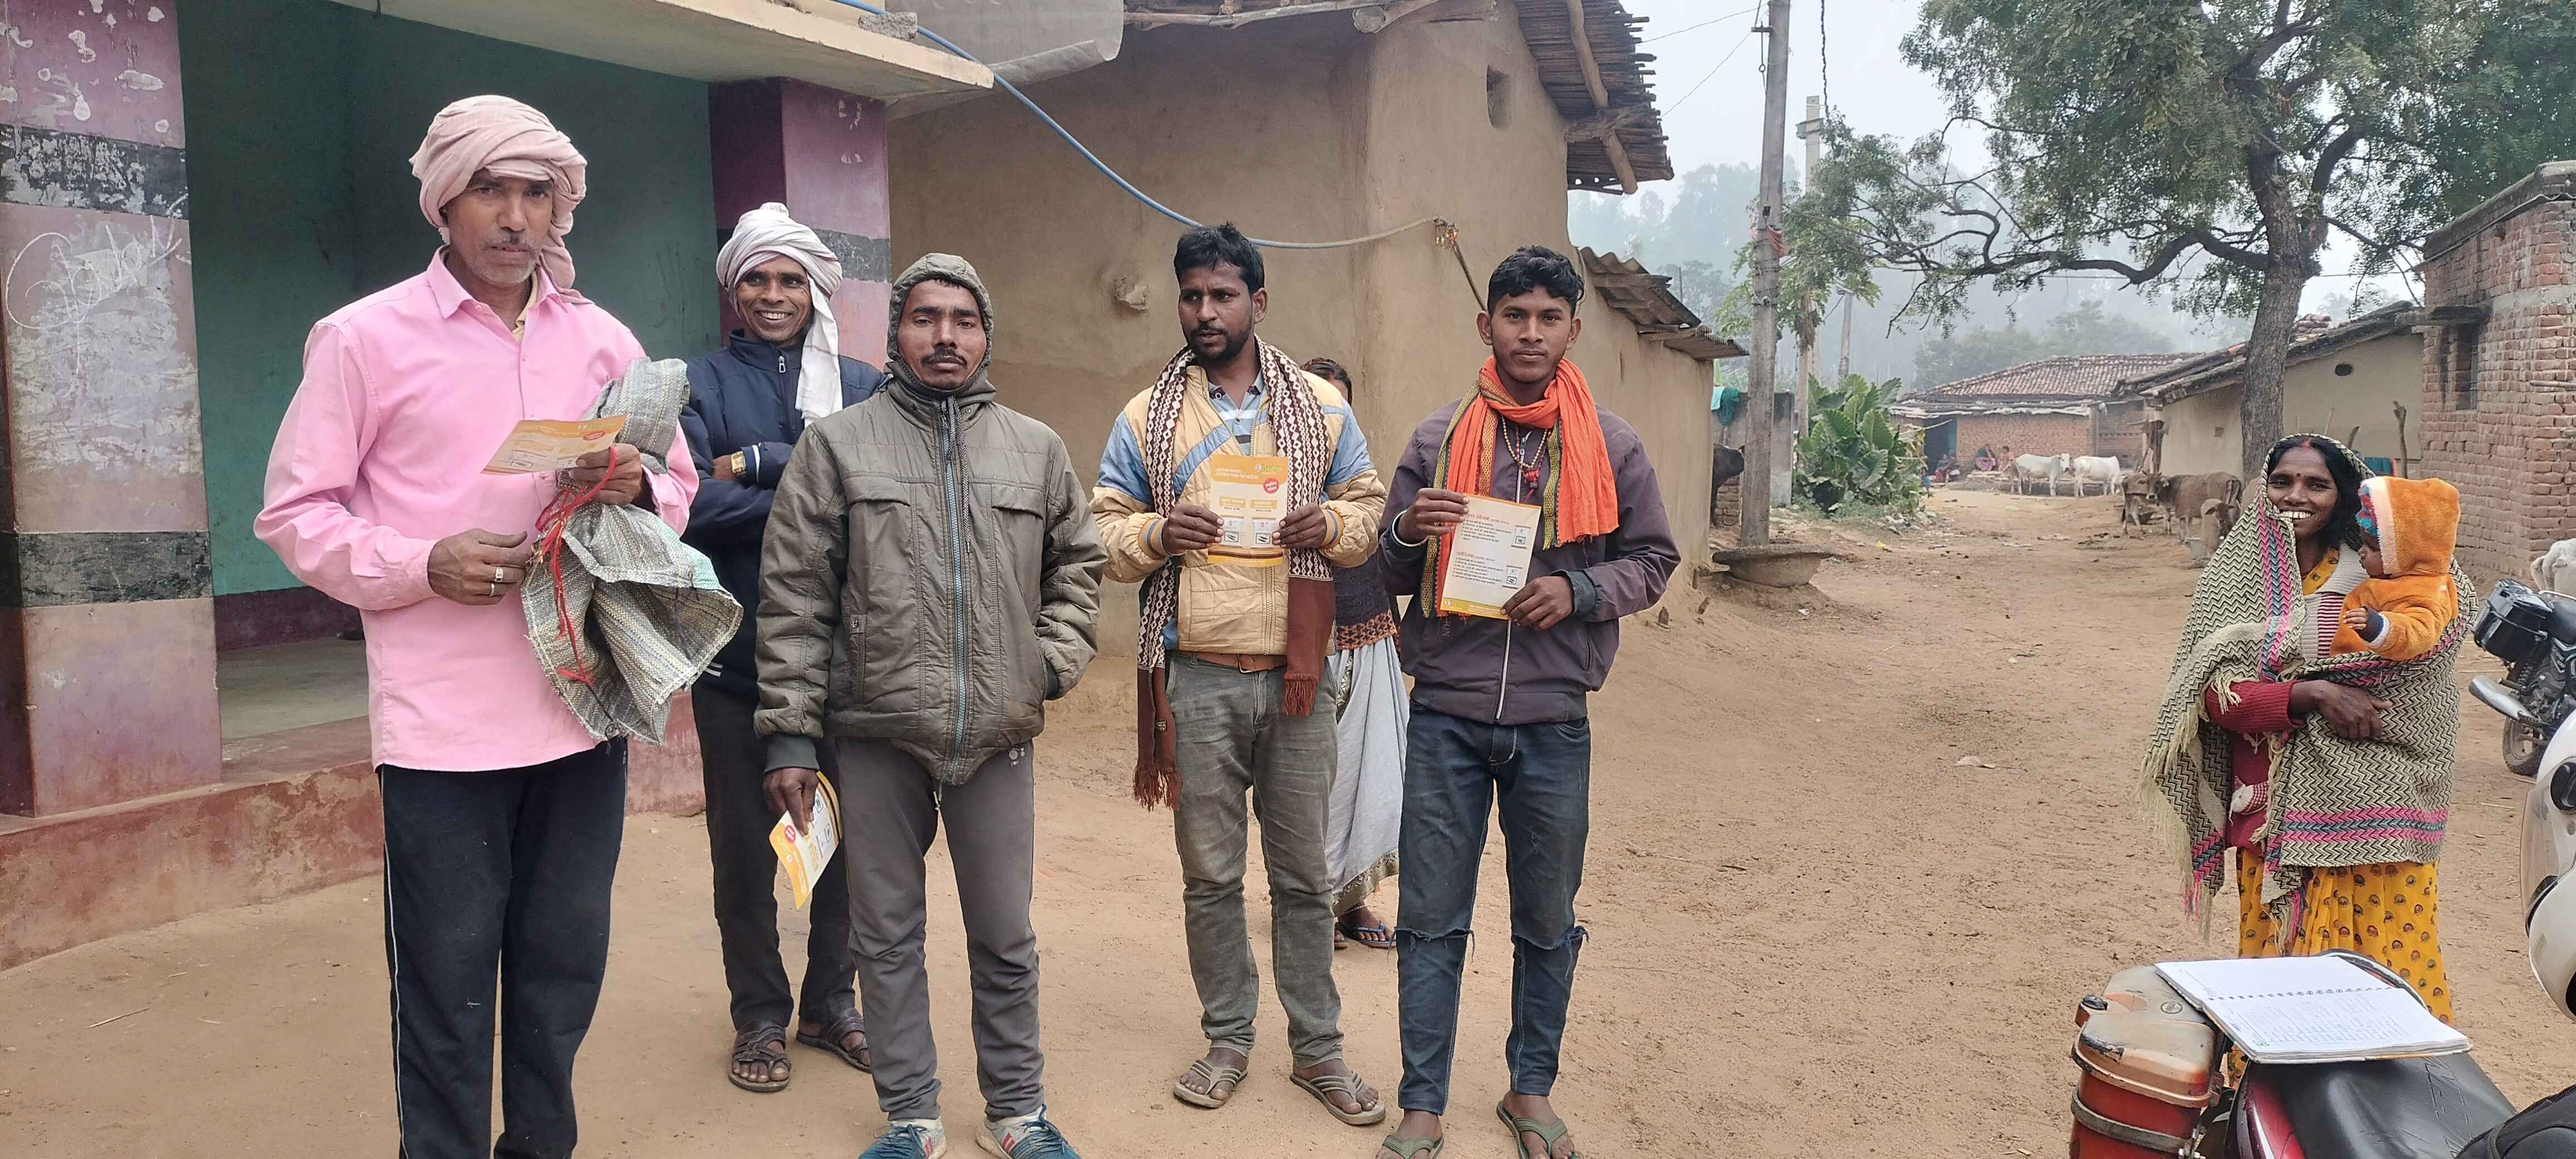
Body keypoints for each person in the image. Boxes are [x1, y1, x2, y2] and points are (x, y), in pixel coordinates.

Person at [255, 95, 695, 1159]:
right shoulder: (363, 339)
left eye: (534, 192)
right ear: (443, 204)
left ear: (559, 207)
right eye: (488, 190)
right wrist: (420, 564)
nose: (513, 216)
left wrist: (634, 483)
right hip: (442, 728)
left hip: (581, 702)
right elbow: (295, 513)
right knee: (447, 983)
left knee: (561, 968)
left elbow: (674, 486)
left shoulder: (601, 338)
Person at [756, 253, 1105, 1159]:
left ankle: (1017, 1114)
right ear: (896, 332)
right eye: (925, 318)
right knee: (885, 937)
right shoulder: (839, 448)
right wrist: (790, 735)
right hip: (877, 734)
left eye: (963, 320)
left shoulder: (1033, 448)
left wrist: (1044, 664)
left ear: (986, 335)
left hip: (996, 736)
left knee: (1005, 934)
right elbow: (795, 597)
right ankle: (910, 1115)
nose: (944, 336)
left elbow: (1078, 565)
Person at [1372, 245, 1680, 1159]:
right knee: (1430, 916)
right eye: (1515, 316)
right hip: (1447, 714)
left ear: (1572, 330)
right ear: (1487, 326)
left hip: (1553, 720)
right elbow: (1385, 573)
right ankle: (1421, 1103)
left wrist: (1577, 593)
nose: (1531, 333)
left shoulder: (1610, 445)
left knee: (1546, 920)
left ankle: (1528, 1088)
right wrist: (1407, 529)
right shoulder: (1437, 440)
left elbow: (1653, 560)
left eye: (1549, 318)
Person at [1092, 225, 1389, 1126]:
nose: (1204, 311)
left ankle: (1317, 1050)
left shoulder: (1320, 409)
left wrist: (1327, 528)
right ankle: (1227, 1038)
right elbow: (1102, 527)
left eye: (1222, 296)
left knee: (1302, 878)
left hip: (1299, 677)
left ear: (1257, 303)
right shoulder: (1146, 417)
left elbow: (1367, 508)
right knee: (1211, 875)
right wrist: (1156, 533)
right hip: (1198, 677)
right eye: (1191, 296)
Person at [2143, 434, 2468, 1022]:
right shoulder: (2233, 579)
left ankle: (2396, 1078)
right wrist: (2312, 693)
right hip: (2272, 818)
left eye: (2316, 484)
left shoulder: (2387, 570)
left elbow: (2425, 670)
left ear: (2342, 495)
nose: (2296, 496)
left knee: (2389, 974)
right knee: (2278, 989)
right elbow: (2212, 698)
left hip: (2379, 815)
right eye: (2282, 481)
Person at [681, 203, 886, 1093]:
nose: (774, 295)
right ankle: (758, 1016)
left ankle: (832, 1004)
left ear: (816, 290)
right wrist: (808, 485)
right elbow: (687, 505)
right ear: (735, 288)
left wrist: (756, 464)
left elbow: (881, 502)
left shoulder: (864, 385)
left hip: (849, 662)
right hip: (735, 659)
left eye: (791, 280)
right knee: (744, 851)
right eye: (758, 279)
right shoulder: (697, 384)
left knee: (849, 844)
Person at [1301, 356, 1404, 952]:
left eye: (1338, 407)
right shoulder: (1268, 481)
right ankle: (1305, 900)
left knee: (1365, 772)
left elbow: (1382, 554)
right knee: (1307, 776)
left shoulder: (1361, 486)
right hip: (1296, 648)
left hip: (1366, 640)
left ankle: (1348, 900)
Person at [2332, 475, 2462, 662]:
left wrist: (2378, 627)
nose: (2361, 551)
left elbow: (2420, 631)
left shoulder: (2424, 590)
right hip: (2343, 667)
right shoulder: (2390, 581)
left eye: (2373, 548)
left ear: (2408, 553)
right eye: (2364, 544)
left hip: (2376, 673)